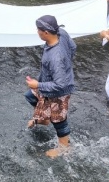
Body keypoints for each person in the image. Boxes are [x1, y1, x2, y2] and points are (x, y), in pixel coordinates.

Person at [25, 15, 77, 158]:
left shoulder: (55, 57)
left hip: (59, 91)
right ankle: (44, 118)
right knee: (30, 95)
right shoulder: (61, 32)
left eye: (39, 30)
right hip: (51, 81)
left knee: (59, 120)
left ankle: (64, 148)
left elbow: (60, 84)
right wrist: (66, 66)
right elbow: (73, 47)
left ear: (46, 33)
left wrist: (38, 84)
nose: (37, 32)